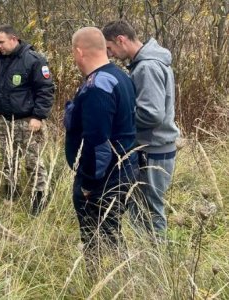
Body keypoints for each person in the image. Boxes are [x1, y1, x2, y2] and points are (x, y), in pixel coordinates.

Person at [64, 27, 138, 269]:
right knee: (111, 232)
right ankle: (119, 281)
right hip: (123, 170)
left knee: (99, 237)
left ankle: (99, 282)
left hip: (104, 180)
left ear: (79, 52)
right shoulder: (121, 76)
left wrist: (87, 184)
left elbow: (98, 144)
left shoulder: (98, 87)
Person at [102, 20, 180, 238]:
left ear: (121, 40)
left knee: (150, 209)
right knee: (139, 206)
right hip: (150, 147)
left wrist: (119, 121)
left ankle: (155, 262)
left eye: (109, 48)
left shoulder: (147, 67)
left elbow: (152, 114)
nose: (110, 54)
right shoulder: (144, 63)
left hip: (154, 149)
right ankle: (144, 256)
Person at [0, 24, 55, 216]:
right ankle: (11, 195)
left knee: (33, 162)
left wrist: (38, 116)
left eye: (2, 42)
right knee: (8, 161)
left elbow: (45, 90)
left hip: (28, 121)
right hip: (4, 121)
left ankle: (39, 198)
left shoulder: (33, 60)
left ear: (14, 39)